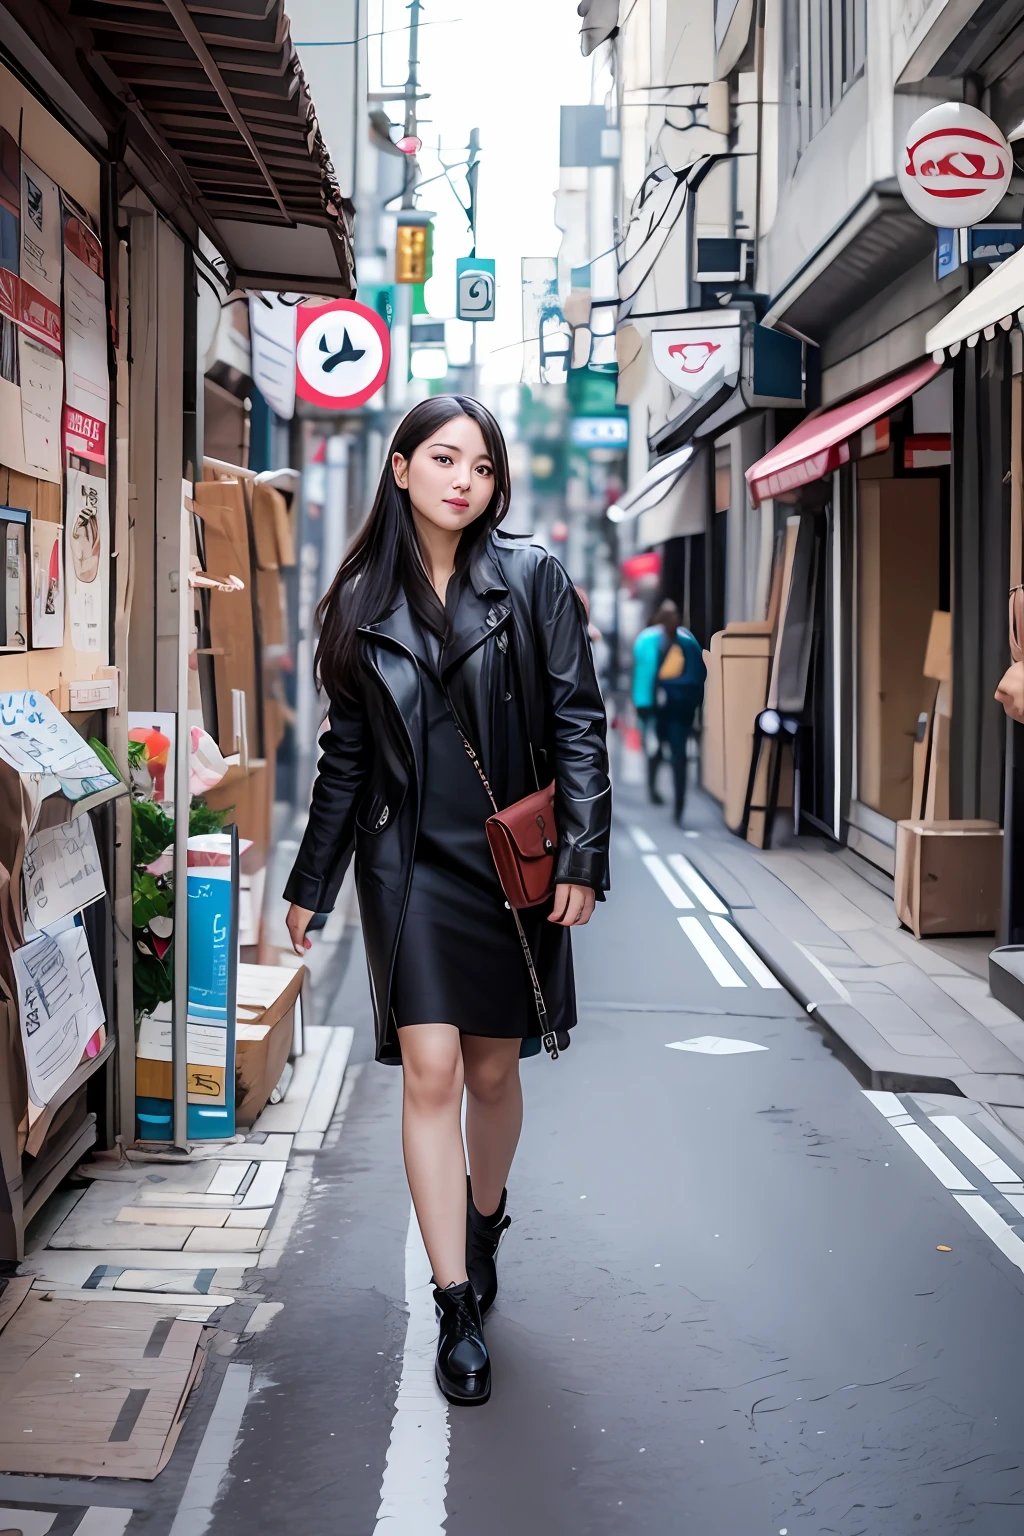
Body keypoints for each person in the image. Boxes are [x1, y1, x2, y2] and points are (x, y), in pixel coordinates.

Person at [284, 396, 611, 1408]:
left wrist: (582, 857)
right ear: (398, 467)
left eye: (480, 464)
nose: (462, 479)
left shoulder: (532, 578)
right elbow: (346, 759)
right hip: (410, 868)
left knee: (490, 1072)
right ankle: (455, 1301)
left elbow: (576, 720)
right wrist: (311, 882)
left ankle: (485, 1212)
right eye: (442, 458)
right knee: (428, 1068)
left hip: (509, 866)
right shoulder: (355, 605)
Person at [632, 599, 706, 823]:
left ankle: (678, 805)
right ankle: (654, 790)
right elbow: (642, 674)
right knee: (656, 751)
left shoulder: (686, 644)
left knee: (677, 757)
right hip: (655, 708)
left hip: (676, 712)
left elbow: (696, 678)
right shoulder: (650, 641)